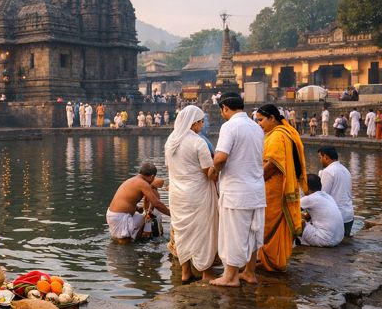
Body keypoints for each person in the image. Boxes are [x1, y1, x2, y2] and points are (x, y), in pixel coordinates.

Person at [207, 92, 265, 287]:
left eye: (222, 111)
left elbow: (221, 157)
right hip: (256, 190)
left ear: (225, 108)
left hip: (236, 191)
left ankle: (231, 277)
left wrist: (214, 169)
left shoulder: (229, 126)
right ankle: (249, 273)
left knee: (234, 233)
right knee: (252, 233)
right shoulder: (256, 127)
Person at [164, 105, 218, 282]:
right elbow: (207, 172)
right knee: (203, 230)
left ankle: (186, 272)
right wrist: (219, 167)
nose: (202, 125)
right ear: (193, 123)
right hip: (197, 193)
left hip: (177, 194)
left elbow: (168, 167)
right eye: (201, 122)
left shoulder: (171, 140)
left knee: (182, 232)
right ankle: (206, 271)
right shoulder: (198, 142)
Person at [254, 104, 307, 272]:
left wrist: (255, 180)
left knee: (269, 223)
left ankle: (272, 260)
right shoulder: (287, 132)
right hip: (277, 185)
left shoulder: (277, 136)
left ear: (272, 118)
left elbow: (272, 165)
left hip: (273, 186)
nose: (259, 124)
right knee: (272, 223)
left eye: (261, 120)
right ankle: (270, 259)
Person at [106, 162, 170, 243]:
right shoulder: (143, 183)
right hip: (119, 216)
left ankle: (137, 240)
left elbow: (126, 199)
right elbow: (157, 203)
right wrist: (172, 214)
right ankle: (125, 249)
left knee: (143, 218)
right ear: (152, 177)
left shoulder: (133, 180)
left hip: (114, 214)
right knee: (124, 244)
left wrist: (136, 208)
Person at [317, 146, 354, 237]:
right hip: (348, 216)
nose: (320, 160)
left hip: (337, 218)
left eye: (320, 158)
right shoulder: (345, 170)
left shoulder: (328, 171)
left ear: (325, 157)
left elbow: (322, 196)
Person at [299, 174, 344, 247]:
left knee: (295, 220)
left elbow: (290, 210)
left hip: (326, 240)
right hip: (338, 238)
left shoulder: (310, 198)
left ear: (306, 187)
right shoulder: (328, 196)